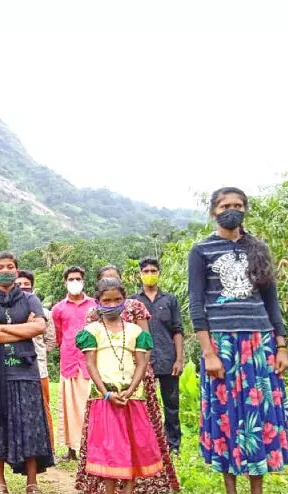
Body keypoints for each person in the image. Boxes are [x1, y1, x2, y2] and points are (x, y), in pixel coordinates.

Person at [188, 187, 288, 494]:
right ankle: (230, 488)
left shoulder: (258, 247)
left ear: (245, 209)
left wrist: (282, 345)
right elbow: (196, 303)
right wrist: (208, 352)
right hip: (221, 344)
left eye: (238, 205)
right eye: (225, 205)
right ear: (213, 211)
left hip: (259, 343)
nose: (232, 209)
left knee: (260, 416)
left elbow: (272, 303)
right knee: (225, 413)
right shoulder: (201, 250)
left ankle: (256, 488)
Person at [75, 265, 180, 494]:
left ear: (125, 299)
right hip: (105, 400)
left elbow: (142, 362)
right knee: (109, 450)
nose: (112, 305)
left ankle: (129, 490)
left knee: (134, 446)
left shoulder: (135, 331)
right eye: (107, 300)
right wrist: (106, 393)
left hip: (134, 399)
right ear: (98, 301)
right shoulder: (92, 330)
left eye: (117, 300)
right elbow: (91, 364)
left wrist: (132, 389)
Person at [0, 252, 54, 494]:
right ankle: (0, 483)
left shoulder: (30, 299)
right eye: (0, 266)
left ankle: (32, 483)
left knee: (30, 427)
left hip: (26, 372)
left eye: (10, 266)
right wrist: (22, 330)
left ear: (17, 272)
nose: (5, 270)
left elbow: (40, 326)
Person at [130, 257, 184, 454]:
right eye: (146, 271)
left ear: (159, 273)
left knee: (171, 404)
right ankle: (149, 444)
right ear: (140, 274)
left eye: (153, 270)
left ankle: (173, 445)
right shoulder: (133, 301)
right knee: (145, 405)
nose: (150, 274)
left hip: (168, 359)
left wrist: (179, 359)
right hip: (143, 362)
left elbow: (178, 330)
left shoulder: (170, 300)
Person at [52, 266, 97, 461]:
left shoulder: (95, 306)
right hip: (69, 361)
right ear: (65, 282)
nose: (74, 282)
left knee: (90, 404)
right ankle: (71, 450)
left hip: (91, 362)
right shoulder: (58, 308)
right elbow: (59, 335)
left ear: (84, 281)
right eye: (71, 279)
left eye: (78, 278)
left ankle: (91, 446)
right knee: (69, 406)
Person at [15, 269, 57, 449]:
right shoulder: (7, 313)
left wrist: (40, 354)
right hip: (15, 366)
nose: (23, 288)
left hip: (39, 367)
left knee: (43, 406)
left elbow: (51, 340)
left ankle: (50, 448)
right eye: (19, 285)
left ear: (33, 287)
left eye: (26, 285)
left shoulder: (45, 313)